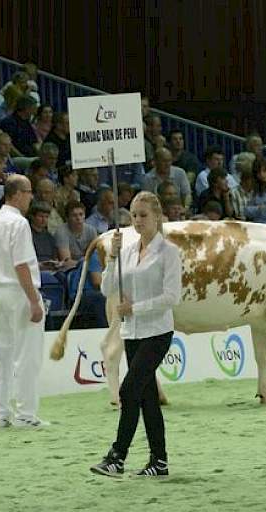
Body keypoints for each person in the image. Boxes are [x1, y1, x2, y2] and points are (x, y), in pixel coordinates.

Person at [91, 191, 182, 477]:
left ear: (157, 216)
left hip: (157, 331)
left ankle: (117, 456)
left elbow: (172, 297)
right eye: (134, 215)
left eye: (143, 215)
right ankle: (159, 461)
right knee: (146, 397)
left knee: (129, 390)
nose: (138, 220)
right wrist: (113, 258)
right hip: (131, 332)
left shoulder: (169, 252)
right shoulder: (127, 251)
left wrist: (136, 308)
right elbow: (107, 289)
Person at [0, 175, 47, 428]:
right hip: (19, 292)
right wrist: (33, 300)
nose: (31, 196)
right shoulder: (19, 223)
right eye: (29, 191)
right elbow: (21, 264)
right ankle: (26, 415)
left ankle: (0, 414)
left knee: (1, 355)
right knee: (26, 356)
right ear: (16, 194)